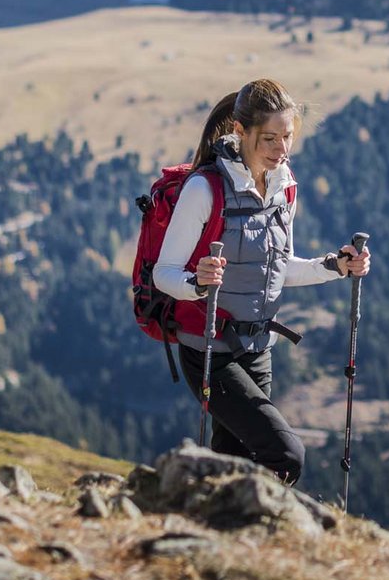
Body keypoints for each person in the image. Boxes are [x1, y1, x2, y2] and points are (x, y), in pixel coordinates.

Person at [153, 77, 371, 484]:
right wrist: (198, 283)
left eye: (287, 137)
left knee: (235, 463)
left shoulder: (283, 188)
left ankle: (214, 534)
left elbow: (278, 268)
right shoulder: (205, 188)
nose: (281, 149)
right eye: (269, 138)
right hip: (209, 350)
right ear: (240, 131)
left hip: (258, 347)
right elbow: (163, 274)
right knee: (284, 454)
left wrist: (334, 266)